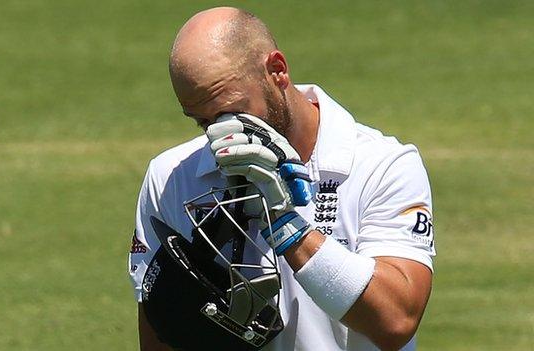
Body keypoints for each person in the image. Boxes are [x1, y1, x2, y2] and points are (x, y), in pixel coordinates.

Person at [128, 7, 435, 351]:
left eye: (233, 111)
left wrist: (285, 225)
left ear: (276, 70)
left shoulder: (382, 164)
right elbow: (161, 337)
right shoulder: (170, 177)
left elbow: (396, 321)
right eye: (202, 121)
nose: (221, 135)